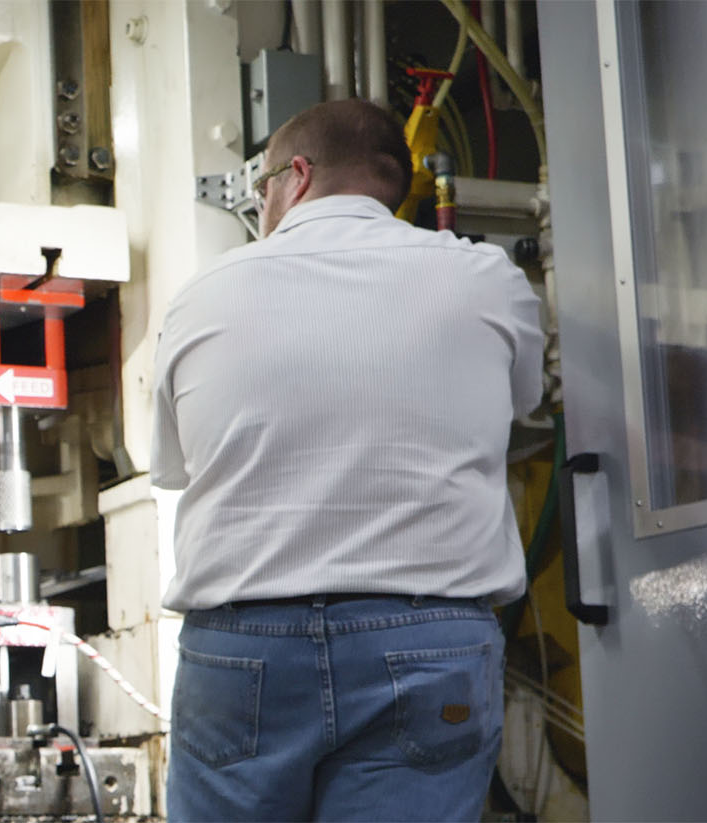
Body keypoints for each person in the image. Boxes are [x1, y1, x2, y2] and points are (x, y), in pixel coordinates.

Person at [150, 99, 545, 821]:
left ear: (296, 176)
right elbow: (524, 405)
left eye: (262, 186)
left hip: (243, 649)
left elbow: (178, 466)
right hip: (428, 642)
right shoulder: (486, 278)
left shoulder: (201, 295)